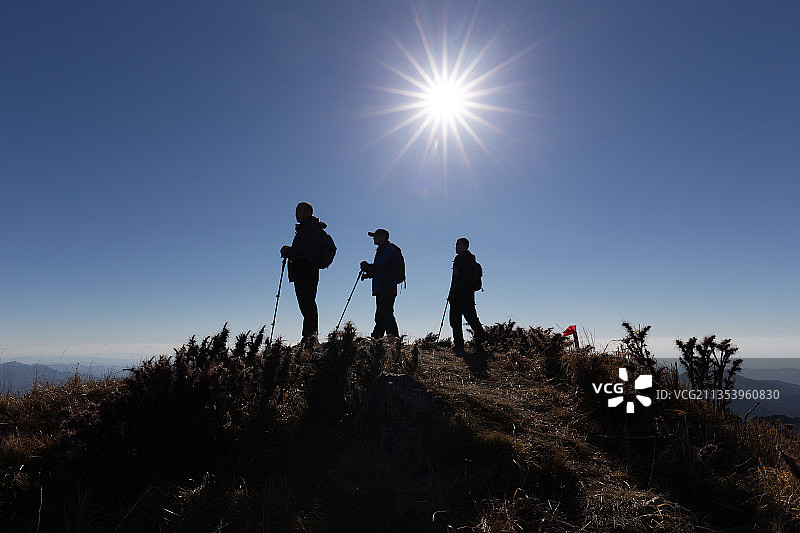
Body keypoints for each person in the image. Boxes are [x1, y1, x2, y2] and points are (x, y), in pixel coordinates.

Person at [280, 202, 327, 347]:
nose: (296, 213)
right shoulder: (308, 228)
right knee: (307, 304)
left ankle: (310, 339)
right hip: (306, 269)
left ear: (308, 213)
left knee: (307, 304)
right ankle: (309, 337)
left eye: (299, 211)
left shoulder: (309, 228)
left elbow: (304, 248)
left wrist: (289, 251)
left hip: (305, 269)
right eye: (296, 211)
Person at [360, 228, 400, 338]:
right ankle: (391, 340)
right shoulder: (384, 249)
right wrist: (368, 273)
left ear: (383, 237)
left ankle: (378, 338)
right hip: (385, 287)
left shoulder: (388, 249)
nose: (374, 238)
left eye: (376, 236)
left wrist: (367, 267)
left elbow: (381, 267)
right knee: (386, 314)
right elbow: (382, 269)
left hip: (385, 287)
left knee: (383, 314)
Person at [448, 237, 486, 354]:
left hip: (464, 296)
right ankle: (460, 344)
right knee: (456, 320)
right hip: (459, 296)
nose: (456, 247)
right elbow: (455, 280)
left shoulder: (467, 260)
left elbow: (460, 279)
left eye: (458, 245)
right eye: (456, 244)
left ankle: (480, 342)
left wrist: (453, 292)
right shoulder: (459, 259)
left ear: (465, 246)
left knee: (470, 319)